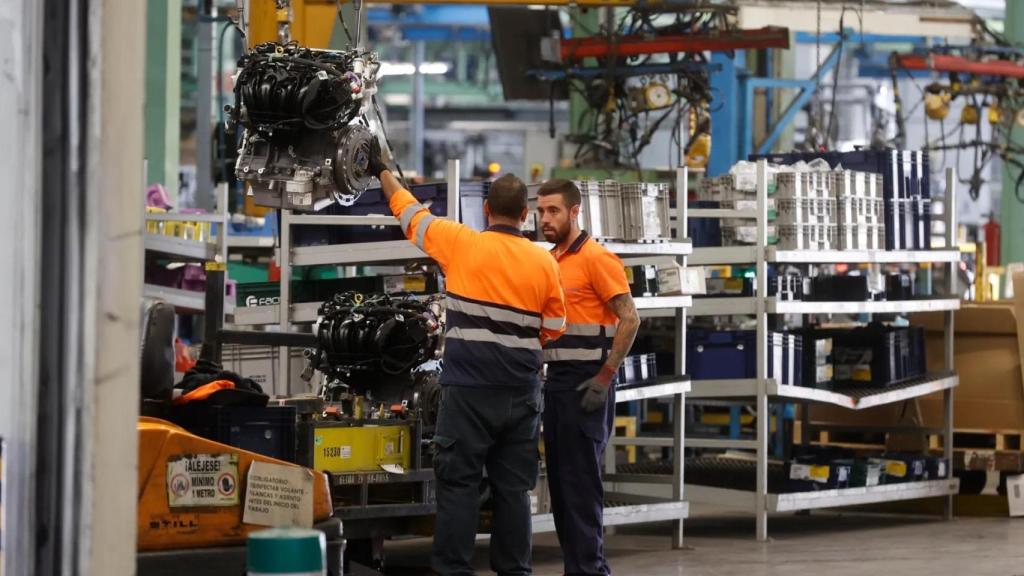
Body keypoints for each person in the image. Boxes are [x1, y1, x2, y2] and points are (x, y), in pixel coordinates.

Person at [366, 143, 566, 576]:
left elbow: (410, 215)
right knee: (514, 490)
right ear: (526, 215)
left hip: (469, 392)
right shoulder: (544, 262)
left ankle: (455, 570)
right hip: (521, 393)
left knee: (458, 487)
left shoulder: (460, 243)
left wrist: (383, 172)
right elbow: (555, 326)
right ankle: (515, 570)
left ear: (487, 211)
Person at [536, 179, 641, 576]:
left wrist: (605, 376)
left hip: (587, 386)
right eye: (541, 211)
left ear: (575, 212)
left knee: (580, 488)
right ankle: (577, 569)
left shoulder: (597, 259)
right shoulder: (550, 260)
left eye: (554, 211)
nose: (545, 218)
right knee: (561, 491)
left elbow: (630, 319)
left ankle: (591, 571)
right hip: (557, 383)